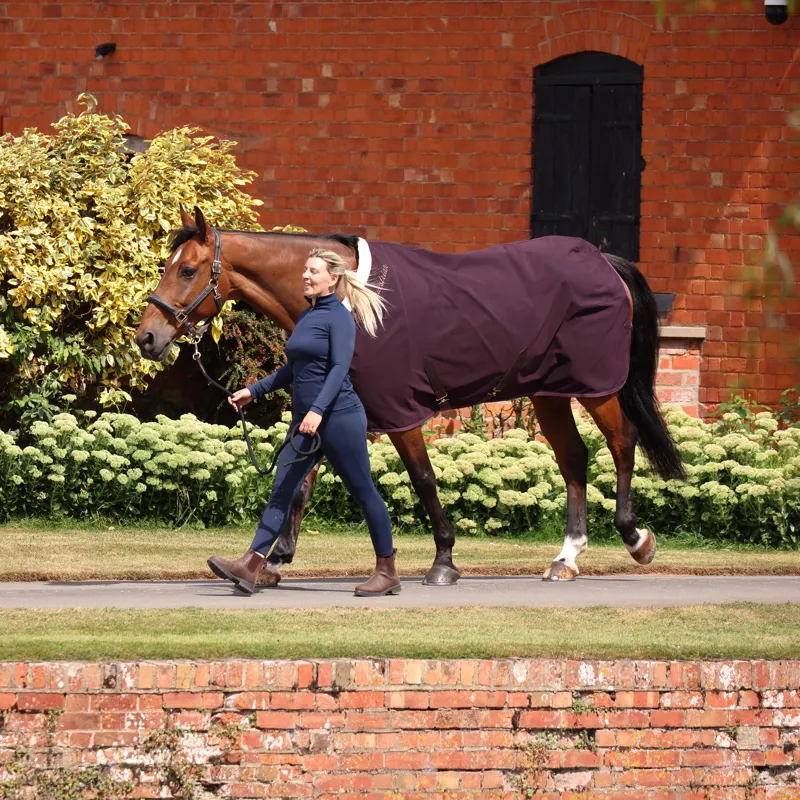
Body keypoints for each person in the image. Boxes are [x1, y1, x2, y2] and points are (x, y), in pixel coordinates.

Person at [207, 248, 400, 597]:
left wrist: (318, 411)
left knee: (363, 491)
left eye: (314, 271)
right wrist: (254, 390)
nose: (306, 277)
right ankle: (251, 564)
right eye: (306, 271)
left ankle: (387, 571)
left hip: (338, 417)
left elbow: (340, 368)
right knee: (283, 489)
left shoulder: (338, 318)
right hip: (305, 422)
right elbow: (294, 369)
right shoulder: (308, 317)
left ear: (333, 278)